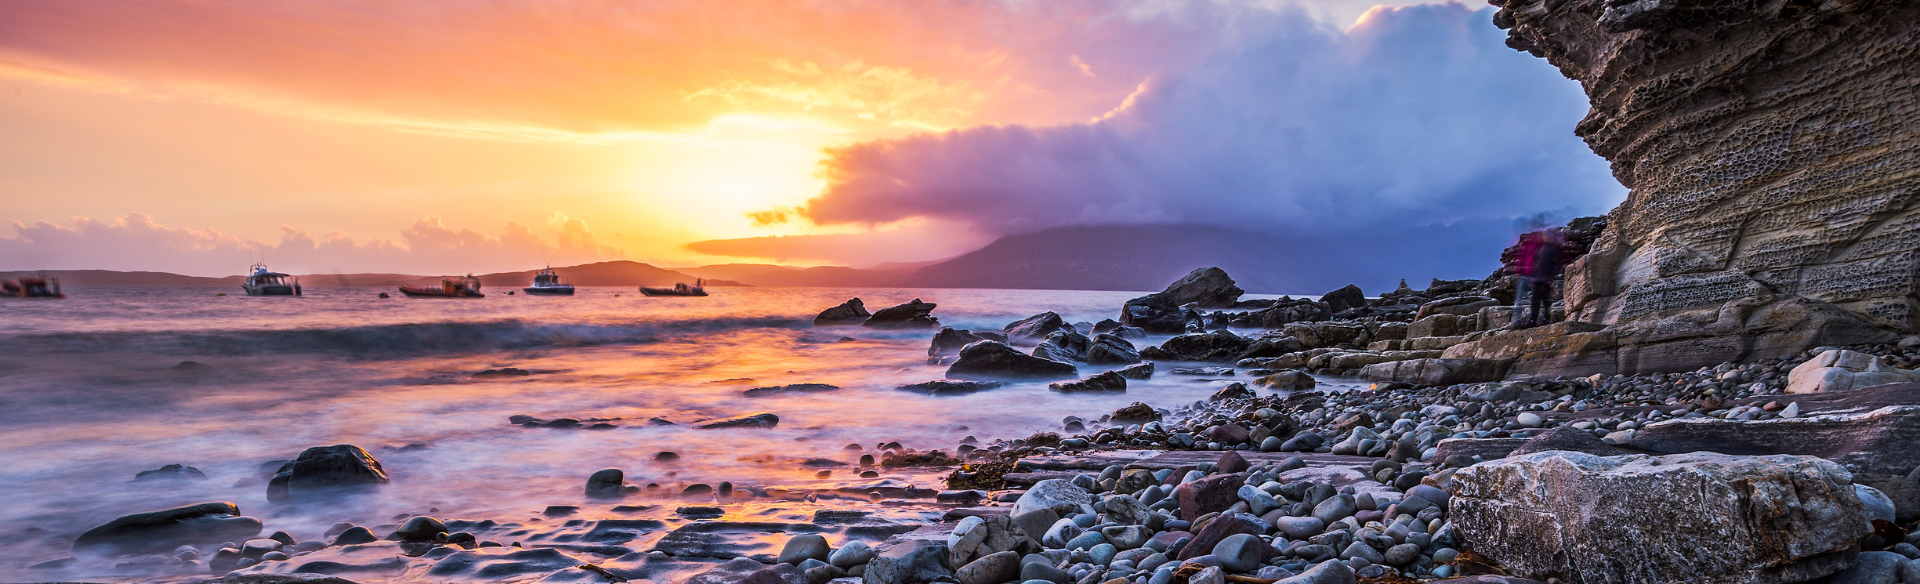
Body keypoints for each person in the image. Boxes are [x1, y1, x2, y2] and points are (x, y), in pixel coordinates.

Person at [1525, 227, 1566, 327]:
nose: (1543, 237)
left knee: (1545, 301)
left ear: (1550, 236)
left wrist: (1550, 277)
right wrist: (1533, 277)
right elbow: (1538, 263)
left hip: (1545, 279)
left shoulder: (1554, 248)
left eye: (1545, 235)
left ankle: (1545, 318)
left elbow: (1555, 264)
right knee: (1535, 300)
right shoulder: (1543, 248)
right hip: (1537, 278)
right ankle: (1532, 320)